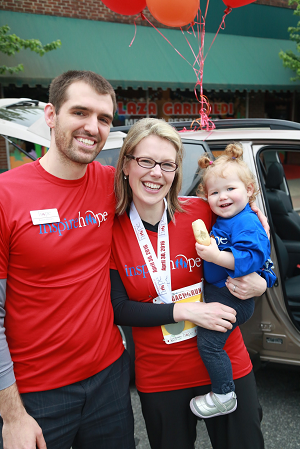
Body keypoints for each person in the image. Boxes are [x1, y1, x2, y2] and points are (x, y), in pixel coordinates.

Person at [110, 118, 268, 449]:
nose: (156, 172)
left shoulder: (205, 211)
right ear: (126, 164)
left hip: (227, 364)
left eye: (167, 164)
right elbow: (119, 309)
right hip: (162, 375)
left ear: (176, 171)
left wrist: (264, 283)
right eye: (146, 161)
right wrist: (190, 311)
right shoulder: (110, 230)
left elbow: (258, 249)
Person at [0, 70, 135, 449]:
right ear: (51, 115)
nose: (92, 127)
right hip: (36, 393)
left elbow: (175, 204)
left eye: (104, 118)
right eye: (80, 112)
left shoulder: (111, 184)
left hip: (109, 376)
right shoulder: (6, 195)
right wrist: (11, 416)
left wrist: (257, 258)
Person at [189, 144, 276, 420]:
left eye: (230, 189)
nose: (222, 197)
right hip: (223, 292)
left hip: (234, 297)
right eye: (214, 192)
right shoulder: (227, 219)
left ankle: (224, 395)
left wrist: (216, 255)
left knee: (210, 344)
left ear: (249, 190)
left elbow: (251, 259)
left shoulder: (247, 223)